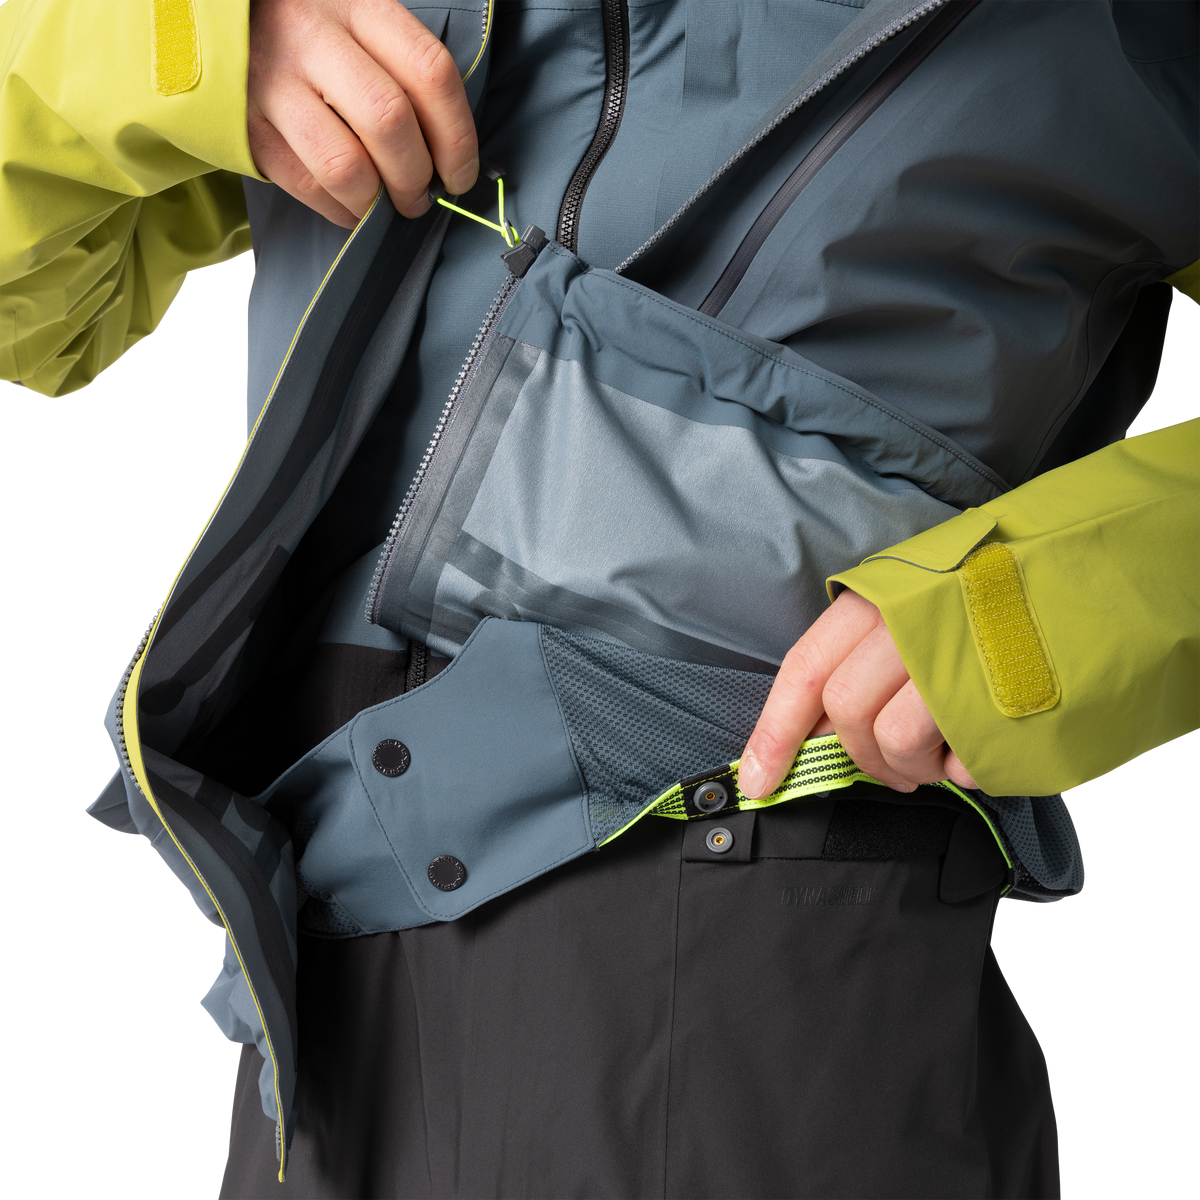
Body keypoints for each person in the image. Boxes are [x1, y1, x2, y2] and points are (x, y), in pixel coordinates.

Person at [3, 0, 1197, 1195]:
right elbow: (33, 312)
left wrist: (1027, 608)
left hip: (758, 925)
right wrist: (196, 39)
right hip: (309, 945)